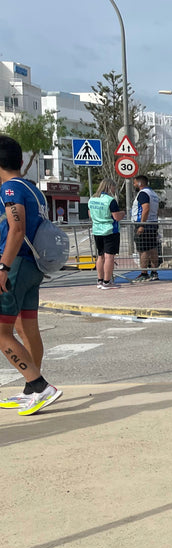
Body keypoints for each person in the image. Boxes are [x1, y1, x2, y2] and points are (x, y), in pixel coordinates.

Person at [0, 135, 62, 415]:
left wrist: (3, 267)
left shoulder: (10, 189)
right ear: (21, 161)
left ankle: (38, 385)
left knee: (1, 332)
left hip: (15, 266)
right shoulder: (31, 187)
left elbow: (17, 229)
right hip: (33, 268)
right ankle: (31, 390)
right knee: (27, 329)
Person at [88, 178, 125, 289]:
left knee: (100, 256)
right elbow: (116, 217)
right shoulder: (110, 200)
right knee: (109, 257)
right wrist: (123, 213)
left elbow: (90, 214)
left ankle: (100, 280)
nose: (114, 190)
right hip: (110, 230)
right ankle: (107, 282)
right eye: (114, 188)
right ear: (109, 187)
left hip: (97, 230)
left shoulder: (92, 199)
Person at [131, 174, 160, 282]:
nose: (134, 184)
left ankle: (144, 273)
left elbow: (146, 208)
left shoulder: (143, 194)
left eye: (134, 182)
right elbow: (156, 210)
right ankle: (154, 272)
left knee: (143, 250)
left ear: (139, 183)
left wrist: (141, 224)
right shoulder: (153, 194)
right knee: (152, 249)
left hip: (144, 224)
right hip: (152, 224)